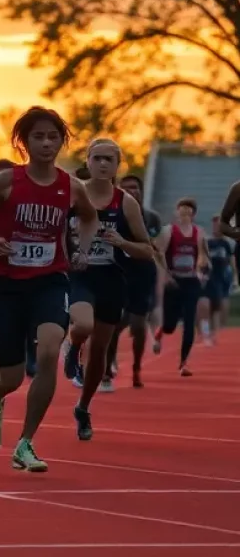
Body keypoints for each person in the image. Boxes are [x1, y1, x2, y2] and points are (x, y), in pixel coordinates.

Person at [0, 107, 98, 473]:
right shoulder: (7, 180)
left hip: (50, 280)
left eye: (53, 136)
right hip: (7, 285)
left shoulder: (71, 186)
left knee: (51, 349)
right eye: (38, 136)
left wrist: (81, 250)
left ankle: (25, 443)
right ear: (24, 143)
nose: (46, 142)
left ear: (61, 141)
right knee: (11, 376)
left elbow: (89, 216)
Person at [63, 140, 154, 440]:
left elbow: (146, 249)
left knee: (100, 349)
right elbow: (52, 232)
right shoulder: (72, 194)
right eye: (97, 158)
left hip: (112, 278)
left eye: (109, 160)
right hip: (79, 275)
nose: (103, 164)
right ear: (87, 161)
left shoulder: (125, 202)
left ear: (117, 165)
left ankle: (83, 407)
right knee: (83, 324)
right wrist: (68, 252)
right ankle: (74, 346)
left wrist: (122, 243)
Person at [110, 174, 164, 388]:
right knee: (113, 322)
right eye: (126, 188)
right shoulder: (112, 213)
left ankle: (136, 367)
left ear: (141, 191)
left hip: (142, 271)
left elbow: (156, 247)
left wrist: (164, 271)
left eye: (135, 188)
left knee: (138, 324)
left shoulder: (152, 217)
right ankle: (108, 364)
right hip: (119, 270)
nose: (132, 191)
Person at [153, 197, 209, 376]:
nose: (185, 211)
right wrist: (166, 275)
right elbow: (157, 252)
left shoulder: (199, 232)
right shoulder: (169, 231)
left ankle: (183, 362)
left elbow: (202, 254)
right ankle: (160, 332)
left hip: (191, 280)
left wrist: (201, 269)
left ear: (193, 213)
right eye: (182, 208)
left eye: (189, 209)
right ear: (177, 212)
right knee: (170, 324)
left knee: (189, 321)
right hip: (173, 281)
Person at [198, 216, 233, 344]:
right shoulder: (206, 241)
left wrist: (232, 278)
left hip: (220, 279)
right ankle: (203, 333)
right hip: (206, 278)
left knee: (217, 308)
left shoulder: (226, 244)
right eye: (215, 225)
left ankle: (216, 335)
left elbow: (230, 261)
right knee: (203, 305)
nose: (216, 227)